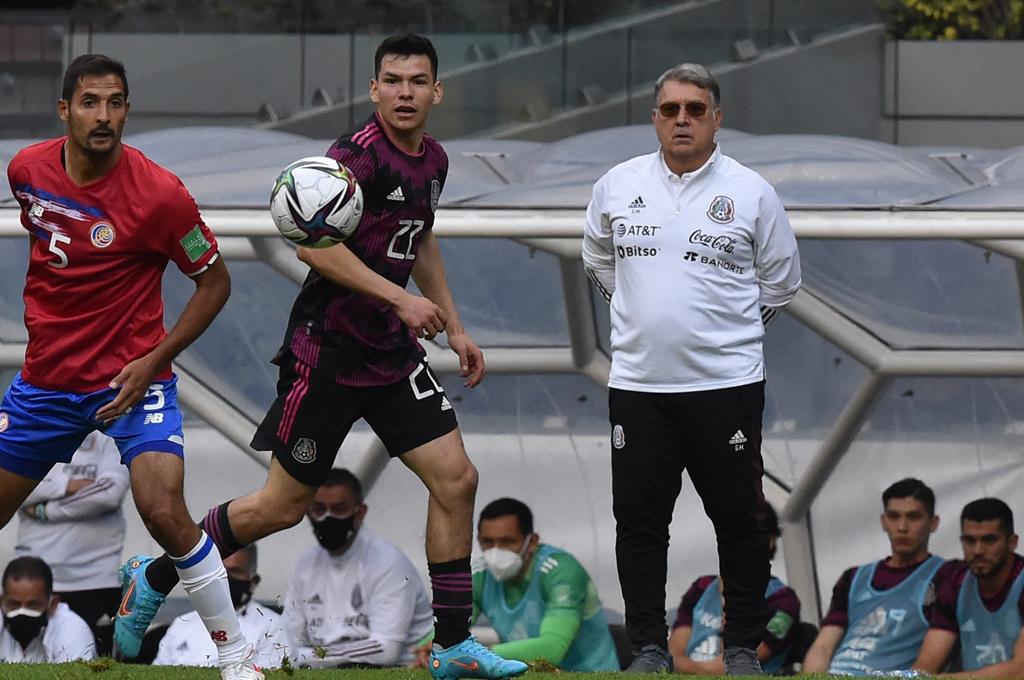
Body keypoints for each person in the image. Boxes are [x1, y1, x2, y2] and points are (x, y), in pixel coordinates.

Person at [116, 34, 527, 680]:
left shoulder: (434, 162)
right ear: (373, 90)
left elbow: (420, 240)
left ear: (436, 91)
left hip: (390, 358)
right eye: (392, 80)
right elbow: (314, 248)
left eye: (417, 81)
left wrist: (454, 324)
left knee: (457, 479)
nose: (404, 92)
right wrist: (400, 301)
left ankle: (452, 646)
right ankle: (158, 573)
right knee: (281, 506)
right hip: (328, 355)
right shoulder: (353, 159)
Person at [0, 54, 257, 679]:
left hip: (132, 381)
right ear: (64, 110)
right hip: (46, 383)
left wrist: (153, 360)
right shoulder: (25, 171)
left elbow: (215, 284)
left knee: (164, 507)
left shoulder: (163, 196)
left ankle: (238, 654)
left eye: (115, 102)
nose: (104, 116)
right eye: (89, 102)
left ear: (127, 110)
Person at [581, 62, 802, 675]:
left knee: (741, 522)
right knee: (640, 524)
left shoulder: (753, 191)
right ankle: (650, 649)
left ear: (716, 118)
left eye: (695, 110)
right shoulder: (616, 185)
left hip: (725, 387)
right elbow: (597, 257)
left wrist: (727, 337)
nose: (683, 119)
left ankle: (740, 650)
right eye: (671, 109)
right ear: (655, 117)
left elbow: (782, 283)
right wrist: (638, 318)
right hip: (639, 387)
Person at [281, 468, 433, 668]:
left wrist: (309, 657)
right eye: (319, 509)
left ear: (359, 513)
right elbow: (287, 641)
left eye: (339, 509)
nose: (328, 518)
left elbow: (385, 650)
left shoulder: (388, 562)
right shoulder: (305, 565)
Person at [802, 478, 944, 675]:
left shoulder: (947, 576)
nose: (902, 527)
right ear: (883, 522)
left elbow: (926, 666)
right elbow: (823, 647)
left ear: (933, 523)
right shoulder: (853, 578)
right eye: (894, 516)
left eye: (913, 516)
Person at [14, 430, 129, 656]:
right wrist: (70, 484)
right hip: (33, 583)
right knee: (26, 663)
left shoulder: (113, 435)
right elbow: (11, 484)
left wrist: (45, 510)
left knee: (101, 664)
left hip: (95, 580)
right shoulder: (29, 425)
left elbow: (109, 493)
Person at [472, 497, 620, 672]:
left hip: (590, 673)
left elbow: (552, 649)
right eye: (488, 542)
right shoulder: (479, 575)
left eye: (507, 541)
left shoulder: (562, 572)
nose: (496, 551)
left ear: (532, 541)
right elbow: (447, 632)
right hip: (525, 672)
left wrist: (480, 656)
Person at [668, 502, 800, 674]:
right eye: (731, 534)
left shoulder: (784, 602)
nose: (738, 543)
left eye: (749, 534)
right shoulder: (700, 588)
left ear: (770, 541)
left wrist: (683, 668)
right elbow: (672, 655)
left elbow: (732, 668)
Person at [913, 498, 1024, 677]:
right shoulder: (954, 580)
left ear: (1012, 542)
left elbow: (1020, 671)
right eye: (970, 541)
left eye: (989, 540)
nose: (978, 550)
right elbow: (926, 664)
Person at [155, 544, 285, 668]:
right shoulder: (181, 624)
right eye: (218, 570)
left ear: (253, 581)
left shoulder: (272, 625)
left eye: (234, 572)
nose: (224, 578)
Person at [0, 556, 95, 663]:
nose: (22, 612)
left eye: (33, 605)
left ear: (53, 604)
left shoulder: (73, 629)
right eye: (14, 604)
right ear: (2, 602)